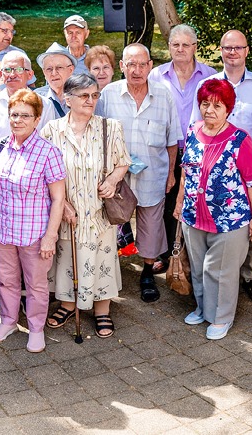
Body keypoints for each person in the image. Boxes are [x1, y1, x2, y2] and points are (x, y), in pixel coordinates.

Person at [174, 78, 252, 340]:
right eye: (205, 104)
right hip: (193, 215)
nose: (209, 110)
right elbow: (186, 172)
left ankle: (221, 317)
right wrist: (180, 203)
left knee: (221, 271)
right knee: (200, 267)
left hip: (230, 220)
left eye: (217, 105)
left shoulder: (240, 139)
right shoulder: (193, 130)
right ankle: (203, 309)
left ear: (228, 109)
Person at [41, 74, 130, 338]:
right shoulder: (51, 131)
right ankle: (68, 304)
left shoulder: (110, 127)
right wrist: (63, 203)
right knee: (68, 258)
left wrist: (113, 180)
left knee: (102, 258)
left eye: (95, 95)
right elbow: (44, 172)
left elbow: (123, 161)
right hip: (67, 210)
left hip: (99, 210)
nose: (91, 100)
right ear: (67, 99)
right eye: (84, 96)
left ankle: (102, 309)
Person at [97, 43, 182, 303]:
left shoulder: (163, 95)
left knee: (151, 224)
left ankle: (147, 271)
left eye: (142, 64)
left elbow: (172, 139)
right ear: (121, 66)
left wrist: (170, 173)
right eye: (130, 64)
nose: (136, 70)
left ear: (150, 67)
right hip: (115, 175)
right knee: (110, 220)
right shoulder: (108, 94)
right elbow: (95, 133)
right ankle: (106, 271)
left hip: (153, 171)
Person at [195, 30, 252, 301]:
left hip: (251, 166)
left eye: (238, 48)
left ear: (247, 51)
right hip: (217, 170)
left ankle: (250, 275)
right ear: (220, 50)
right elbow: (198, 126)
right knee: (221, 224)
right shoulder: (208, 84)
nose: (232, 52)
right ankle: (219, 277)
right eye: (227, 48)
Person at [0, 89, 67, 353]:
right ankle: (8, 321)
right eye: (14, 115)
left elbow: (58, 199)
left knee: (36, 285)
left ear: (37, 119)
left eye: (25, 115)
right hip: (2, 229)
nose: (18, 120)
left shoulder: (48, 152)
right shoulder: (2, 146)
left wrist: (50, 236)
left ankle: (35, 328)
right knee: (7, 281)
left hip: (34, 233)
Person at [149, 24, 216, 263]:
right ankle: (166, 254)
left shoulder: (210, 75)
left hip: (201, 150)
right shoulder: (156, 75)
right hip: (167, 149)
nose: (180, 49)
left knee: (195, 201)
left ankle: (191, 255)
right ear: (169, 47)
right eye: (175, 44)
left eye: (185, 45)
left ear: (195, 47)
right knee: (167, 200)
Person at [0, 51, 55, 149]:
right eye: (7, 70)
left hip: (35, 162)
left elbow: (48, 143)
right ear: (1, 75)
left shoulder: (45, 104)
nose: (12, 75)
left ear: (30, 74)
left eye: (19, 69)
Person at [35, 43, 77, 117]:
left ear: (71, 70)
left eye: (59, 67)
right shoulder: (36, 97)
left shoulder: (85, 95)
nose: (54, 73)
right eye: (49, 69)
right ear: (44, 73)